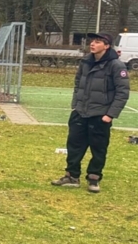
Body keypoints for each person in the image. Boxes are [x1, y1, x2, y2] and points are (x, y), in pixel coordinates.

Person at [51, 32, 129, 194]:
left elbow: (122, 92)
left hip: (100, 115)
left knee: (98, 149)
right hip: (80, 112)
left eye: (98, 42)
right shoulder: (86, 62)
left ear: (106, 46)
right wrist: (76, 105)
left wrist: (109, 115)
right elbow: (78, 83)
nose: (92, 44)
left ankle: (94, 179)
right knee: (74, 146)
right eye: (92, 41)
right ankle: (72, 176)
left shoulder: (116, 65)